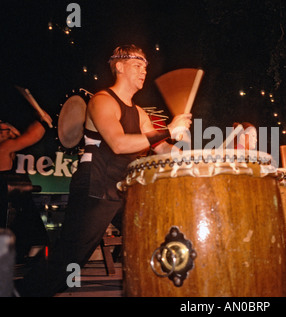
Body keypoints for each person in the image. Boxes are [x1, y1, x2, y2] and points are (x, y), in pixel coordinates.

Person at [16, 44, 192, 296]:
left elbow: (162, 148)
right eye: (137, 65)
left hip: (125, 188)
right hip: (95, 185)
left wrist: (193, 158)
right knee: (68, 263)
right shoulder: (101, 101)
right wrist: (167, 129)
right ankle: (21, 292)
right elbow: (119, 144)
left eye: (145, 66)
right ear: (119, 66)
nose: (144, 71)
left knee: (156, 238)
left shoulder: (140, 112)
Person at [0, 115, 52, 262]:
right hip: (9, 193)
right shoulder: (5, 146)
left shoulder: (7, 145)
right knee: (26, 217)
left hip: (10, 193)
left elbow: (21, 135)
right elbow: (31, 137)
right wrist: (44, 121)